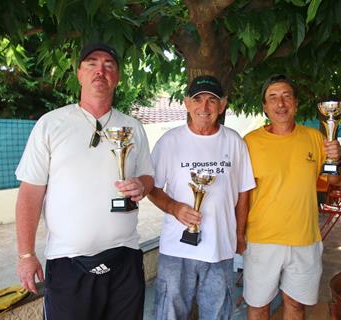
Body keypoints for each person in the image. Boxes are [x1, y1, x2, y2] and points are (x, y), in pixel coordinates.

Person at [15, 43, 154, 320]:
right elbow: (30, 194)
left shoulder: (133, 127)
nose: (100, 71)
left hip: (125, 258)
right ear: (79, 74)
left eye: (109, 65)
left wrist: (142, 185)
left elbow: (148, 177)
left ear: (117, 77)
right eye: (91, 63)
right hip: (68, 262)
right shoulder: (51, 124)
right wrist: (26, 255)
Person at [239, 75, 341, 320]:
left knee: (296, 305)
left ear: (296, 103)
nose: (281, 103)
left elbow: (336, 181)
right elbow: (242, 194)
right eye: (273, 97)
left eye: (287, 96)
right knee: (258, 306)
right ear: (265, 107)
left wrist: (336, 160)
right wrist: (238, 233)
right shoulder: (250, 143)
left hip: (305, 239)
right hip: (261, 239)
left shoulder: (316, 138)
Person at [148, 75, 256, 319]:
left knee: (218, 315)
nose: (204, 107)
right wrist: (174, 208)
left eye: (212, 100)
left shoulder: (234, 142)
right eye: (197, 99)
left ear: (223, 104)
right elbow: (151, 188)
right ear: (186, 103)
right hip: (177, 249)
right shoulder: (169, 141)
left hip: (220, 248)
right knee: (169, 314)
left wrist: (239, 234)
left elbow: (244, 191)